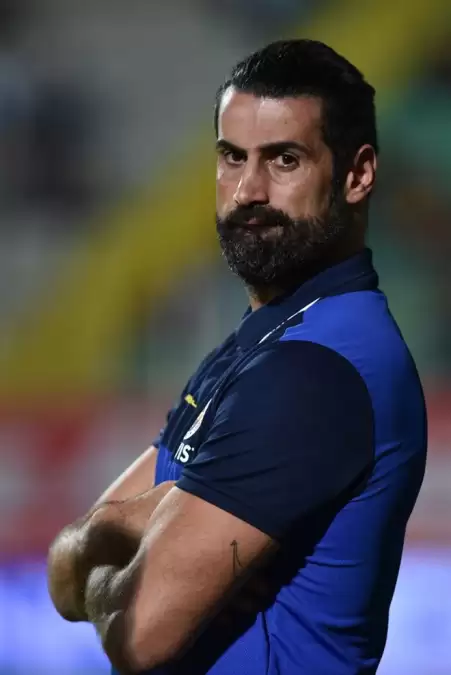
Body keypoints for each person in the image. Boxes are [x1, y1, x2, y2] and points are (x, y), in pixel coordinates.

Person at [47, 39, 427, 674]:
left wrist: (117, 536)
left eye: (284, 159)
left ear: (357, 174)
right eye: (232, 157)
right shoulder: (259, 346)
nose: (248, 189)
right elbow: (63, 575)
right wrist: (125, 524)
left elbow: (138, 636)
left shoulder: (313, 372)